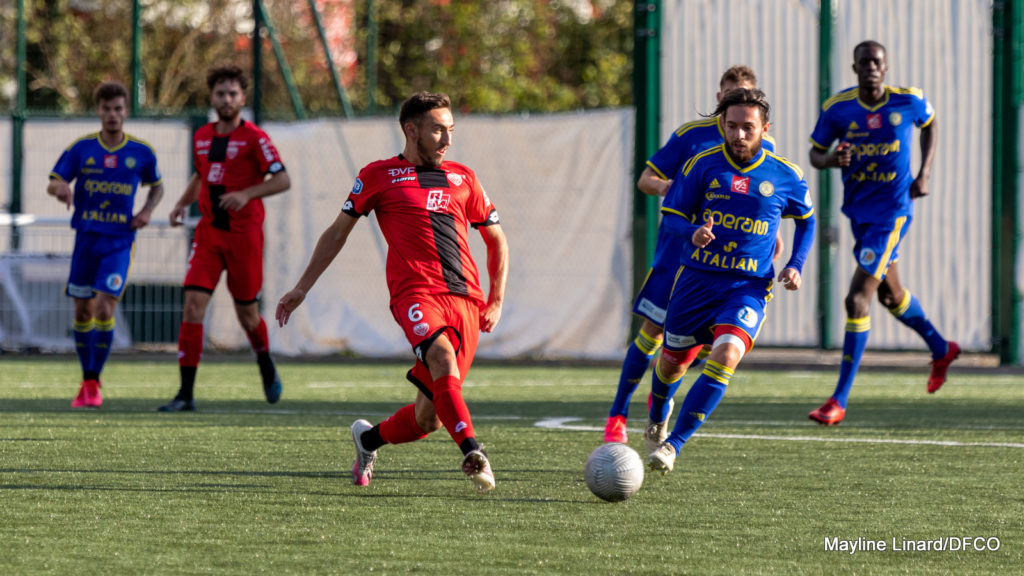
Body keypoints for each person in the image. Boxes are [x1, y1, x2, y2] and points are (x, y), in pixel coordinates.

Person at [276, 91, 509, 492]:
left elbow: (497, 239)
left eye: (450, 130)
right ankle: (473, 452)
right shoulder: (378, 174)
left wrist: (496, 299)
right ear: (411, 129)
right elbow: (337, 233)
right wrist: (302, 287)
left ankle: (368, 440)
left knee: (429, 418)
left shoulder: (464, 177)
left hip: (465, 301)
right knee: (440, 357)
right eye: (438, 129)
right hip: (415, 294)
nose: (447, 139)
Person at [604, 66, 781, 448]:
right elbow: (646, 179)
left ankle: (660, 406)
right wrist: (677, 186)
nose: (738, 107)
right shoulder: (691, 136)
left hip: (728, 267)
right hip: (679, 253)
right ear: (720, 101)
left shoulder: (763, 147)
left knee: (695, 346)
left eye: (746, 95)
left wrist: (775, 238)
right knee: (651, 332)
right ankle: (617, 414)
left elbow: (769, 199)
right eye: (731, 94)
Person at [646, 88, 816, 474]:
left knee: (726, 355)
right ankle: (658, 411)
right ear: (722, 124)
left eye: (748, 128)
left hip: (748, 286)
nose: (740, 135)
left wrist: (796, 264)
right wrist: (691, 231)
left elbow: (807, 219)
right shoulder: (702, 166)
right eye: (733, 126)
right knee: (670, 366)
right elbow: (670, 215)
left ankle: (673, 446)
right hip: (696, 282)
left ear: (765, 129)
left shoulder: (785, 174)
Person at [807, 40, 958, 426]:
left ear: (886, 67)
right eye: (864, 62)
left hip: (893, 214)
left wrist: (923, 173)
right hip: (859, 213)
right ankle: (941, 349)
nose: (871, 67)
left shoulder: (907, 101)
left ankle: (838, 400)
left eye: (877, 61)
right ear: (854, 67)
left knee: (857, 300)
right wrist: (830, 159)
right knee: (892, 296)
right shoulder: (837, 109)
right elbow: (815, 154)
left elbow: (931, 123)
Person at [158, 65, 291, 412]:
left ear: (242, 98)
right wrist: (181, 203)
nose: (226, 99)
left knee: (247, 315)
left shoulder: (255, 138)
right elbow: (202, 174)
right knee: (192, 305)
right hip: (209, 234)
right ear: (212, 97)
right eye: (220, 93)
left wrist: (247, 193)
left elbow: (282, 180)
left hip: (244, 237)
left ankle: (263, 359)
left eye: (233, 93)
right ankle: (185, 394)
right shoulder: (202, 135)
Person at [47, 81, 164, 408]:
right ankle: (87, 380)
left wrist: (146, 210)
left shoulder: (141, 152)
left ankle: (94, 383)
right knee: (82, 311)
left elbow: (157, 186)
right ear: (98, 110)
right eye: (106, 109)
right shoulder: (82, 148)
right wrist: (61, 190)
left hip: (119, 243)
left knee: (103, 307)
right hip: (86, 240)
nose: (112, 114)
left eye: (118, 108)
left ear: (126, 110)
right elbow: (55, 181)